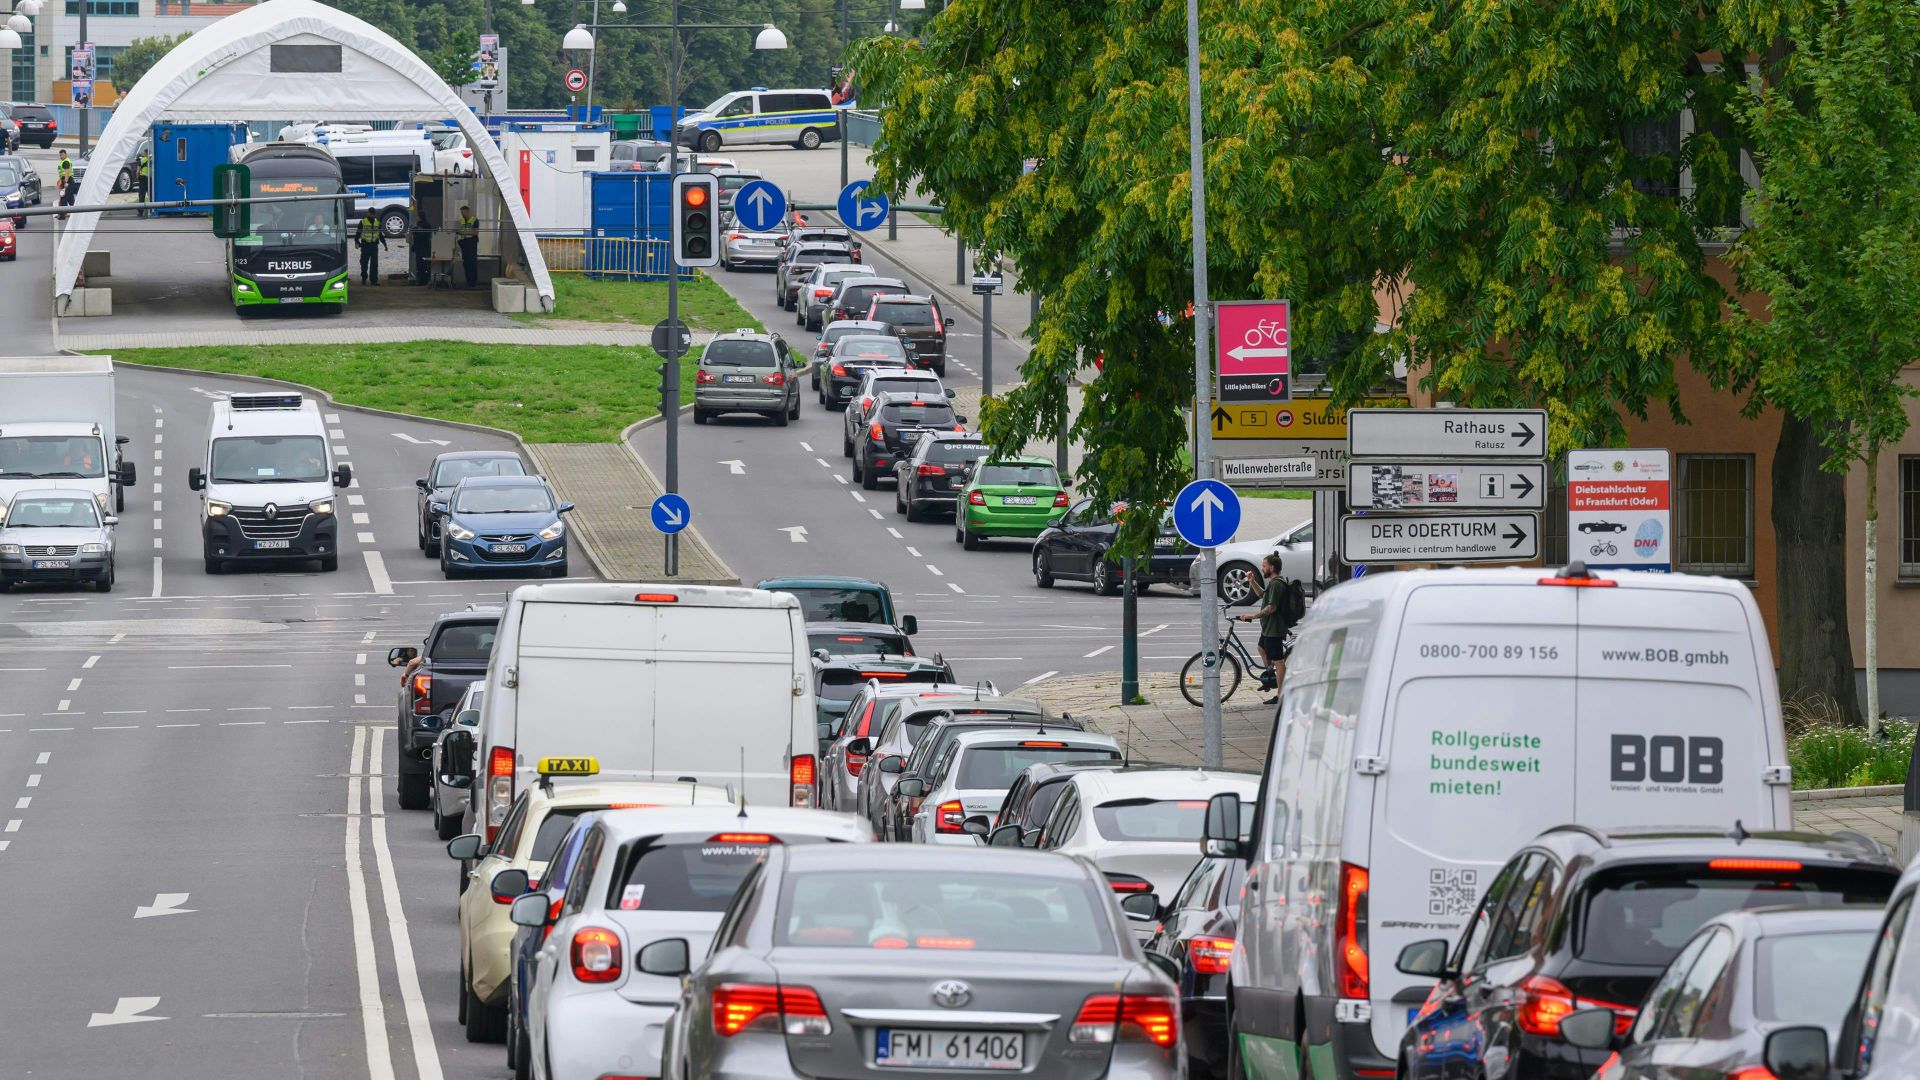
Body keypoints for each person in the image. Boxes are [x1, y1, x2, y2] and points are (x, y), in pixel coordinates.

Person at [1234, 553, 1302, 705]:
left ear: (1271, 568)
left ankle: (1280, 695)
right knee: (1261, 648)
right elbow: (1263, 596)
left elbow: (1271, 607)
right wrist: (1252, 581)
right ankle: (1271, 677)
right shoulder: (1273, 583)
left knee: (1279, 662)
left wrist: (1253, 615)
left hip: (1275, 629)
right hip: (1268, 628)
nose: (1261, 568)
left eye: (1264, 566)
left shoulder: (1277, 584)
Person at [355, 208, 386, 286]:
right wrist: (357, 242)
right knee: (364, 263)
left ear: (373, 214)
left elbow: (380, 235)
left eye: (372, 213)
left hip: (374, 246)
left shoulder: (377, 223)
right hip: (365, 245)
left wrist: (385, 244)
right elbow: (358, 233)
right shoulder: (363, 222)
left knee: (374, 264)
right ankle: (364, 278)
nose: (371, 215)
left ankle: (374, 281)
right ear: (368, 213)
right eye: (370, 213)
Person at [456, 205, 479, 287]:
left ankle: (473, 282)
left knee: (472, 262)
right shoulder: (461, 220)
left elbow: (475, 232)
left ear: (467, 212)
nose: (462, 214)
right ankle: (468, 281)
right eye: (461, 213)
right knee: (466, 263)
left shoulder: (474, 220)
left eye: (463, 213)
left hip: (471, 243)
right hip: (463, 243)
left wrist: (462, 233)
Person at [55, 150, 73, 220]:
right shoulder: (65, 161)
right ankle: (76, 213)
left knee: (63, 198)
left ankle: (62, 216)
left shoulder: (66, 162)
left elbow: (67, 172)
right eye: (60, 155)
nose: (61, 156)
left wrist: (65, 182)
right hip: (67, 181)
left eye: (62, 155)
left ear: (66, 154)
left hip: (67, 182)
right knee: (70, 198)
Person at [136, 148, 151, 218]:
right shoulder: (152, 160)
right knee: (151, 195)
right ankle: (151, 210)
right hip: (150, 179)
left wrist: (137, 177)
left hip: (143, 179)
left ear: (145, 153)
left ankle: (140, 212)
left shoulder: (142, 160)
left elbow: (138, 171)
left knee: (141, 196)